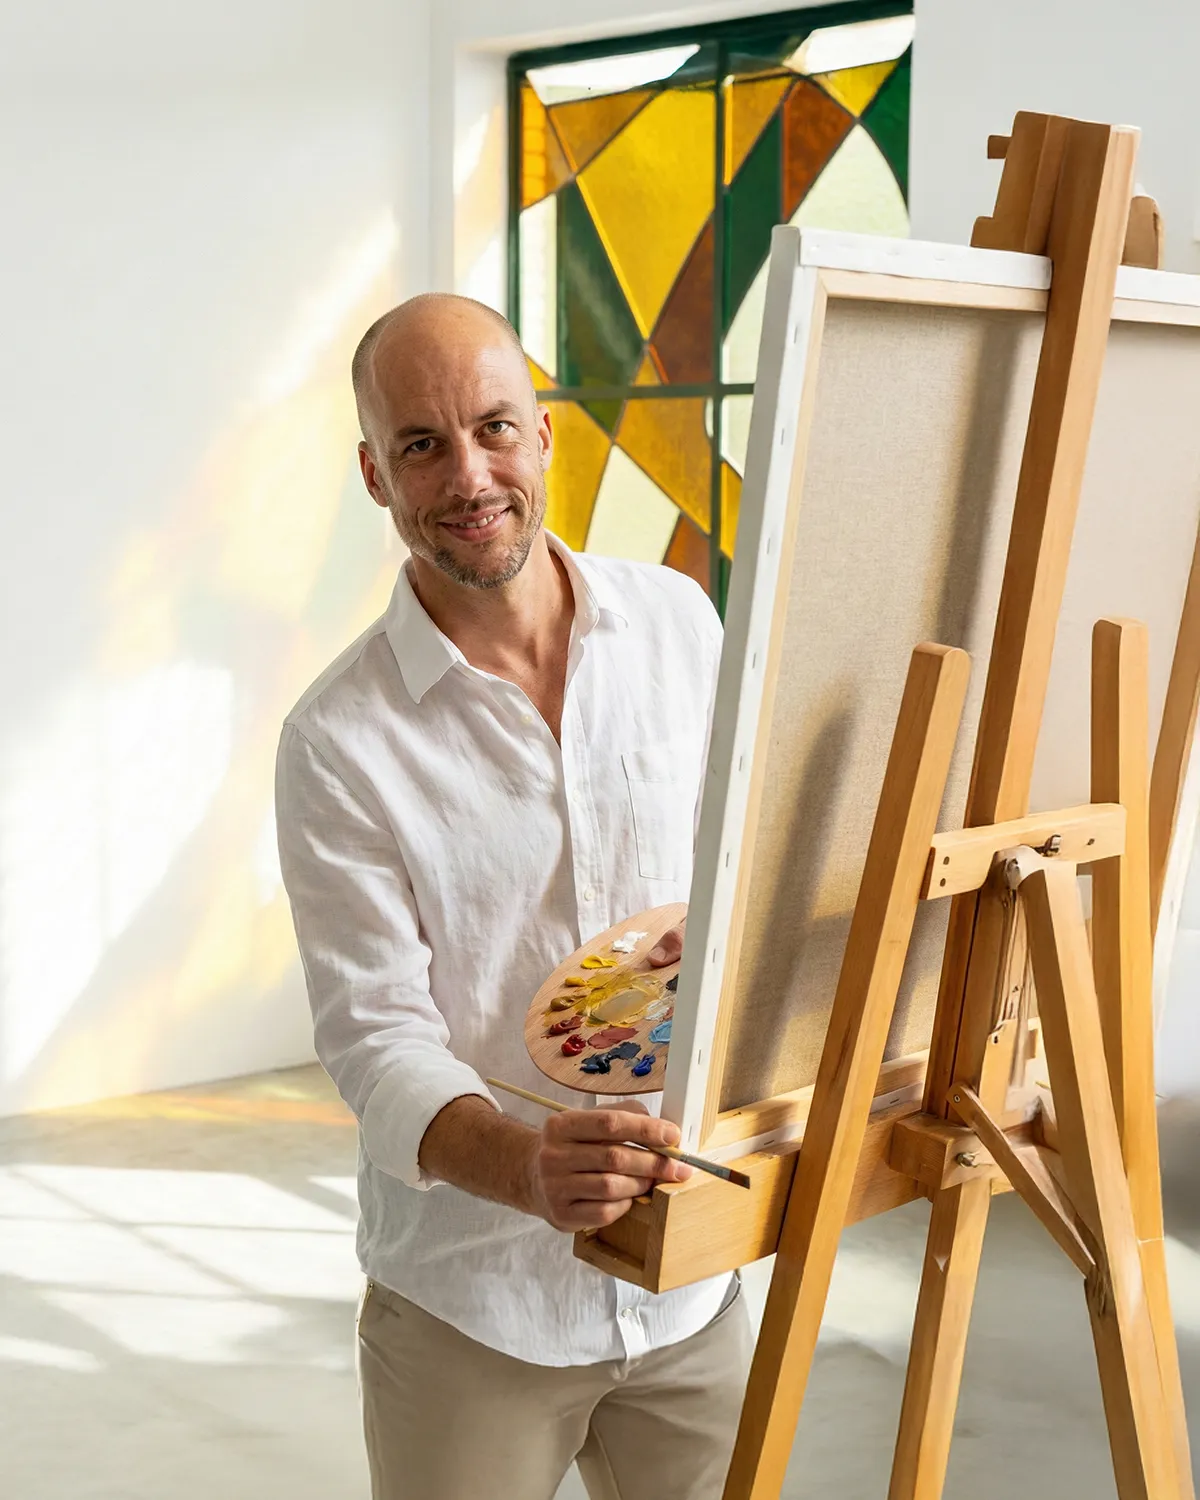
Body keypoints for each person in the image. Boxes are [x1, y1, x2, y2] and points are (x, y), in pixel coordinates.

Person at [275, 293, 750, 1500]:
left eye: (493, 427)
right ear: (376, 476)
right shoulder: (336, 739)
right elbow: (377, 1039)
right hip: (473, 1307)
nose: (469, 473)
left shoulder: (681, 626)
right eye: (422, 444)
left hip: (693, 1276)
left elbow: (741, 894)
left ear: (545, 434)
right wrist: (531, 1167)